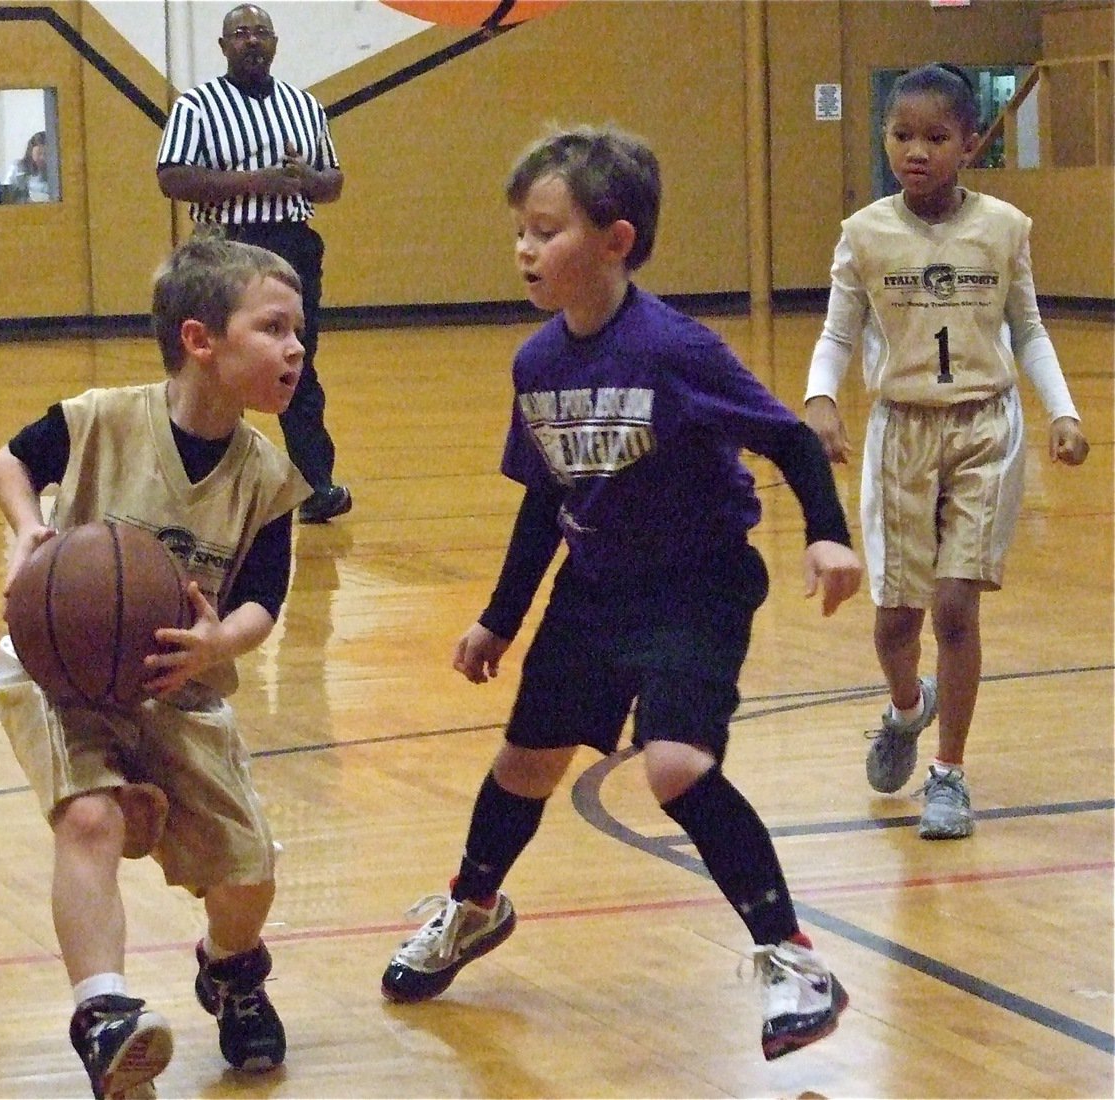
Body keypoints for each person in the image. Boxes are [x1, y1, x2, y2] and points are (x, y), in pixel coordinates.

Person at [380, 125, 863, 1062]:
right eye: (520, 230)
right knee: (525, 763)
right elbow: (544, 498)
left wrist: (830, 536)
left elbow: (793, 440)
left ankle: (794, 958)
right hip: (594, 588)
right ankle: (473, 909)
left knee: (674, 766)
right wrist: (498, 617)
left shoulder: (675, 349)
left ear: (617, 239)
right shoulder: (538, 364)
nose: (526, 249)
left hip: (697, 587)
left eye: (547, 231)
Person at [0, 232, 312, 1098]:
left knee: (249, 871)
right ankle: (104, 1014)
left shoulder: (267, 475)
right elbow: (10, 460)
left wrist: (217, 645)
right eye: (274, 328)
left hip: (178, 684)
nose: (296, 349)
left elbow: (263, 603)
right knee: (89, 820)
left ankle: (231, 969)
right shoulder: (99, 418)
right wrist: (29, 532)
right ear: (201, 340)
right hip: (61, 674)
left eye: (300, 332)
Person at [803, 63, 1089, 840]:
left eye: (935, 136)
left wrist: (1061, 411)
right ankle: (907, 707)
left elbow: (1025, 329)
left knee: (956, 609)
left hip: (984, 429)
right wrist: (820, 398)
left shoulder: (1004, 228)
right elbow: (835, 335)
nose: (916, 150)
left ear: (970, 142)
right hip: (902, 430)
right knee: (897, 622)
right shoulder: (863, 235)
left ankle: (950, 775)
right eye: (902, 135)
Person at [156, 3, 350, 525]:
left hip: (292, 247)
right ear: (223, 46)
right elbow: (172, 177)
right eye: (240, 33)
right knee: (220, 366)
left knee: (295, 362)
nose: (251, 41)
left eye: (260, 32)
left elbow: (333, 183)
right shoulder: (197, 105)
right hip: (226, 249)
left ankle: (315, 484)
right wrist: (251, 181)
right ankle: (204, 480)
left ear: (275, 43)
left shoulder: (304, 106)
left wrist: (306, 176)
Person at [4, 130, 51, 203]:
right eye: (39, 153)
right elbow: (7, 194)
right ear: (31, 151)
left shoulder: (56, 171)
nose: (42, 157)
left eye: (46, 154)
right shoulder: (18, 167)